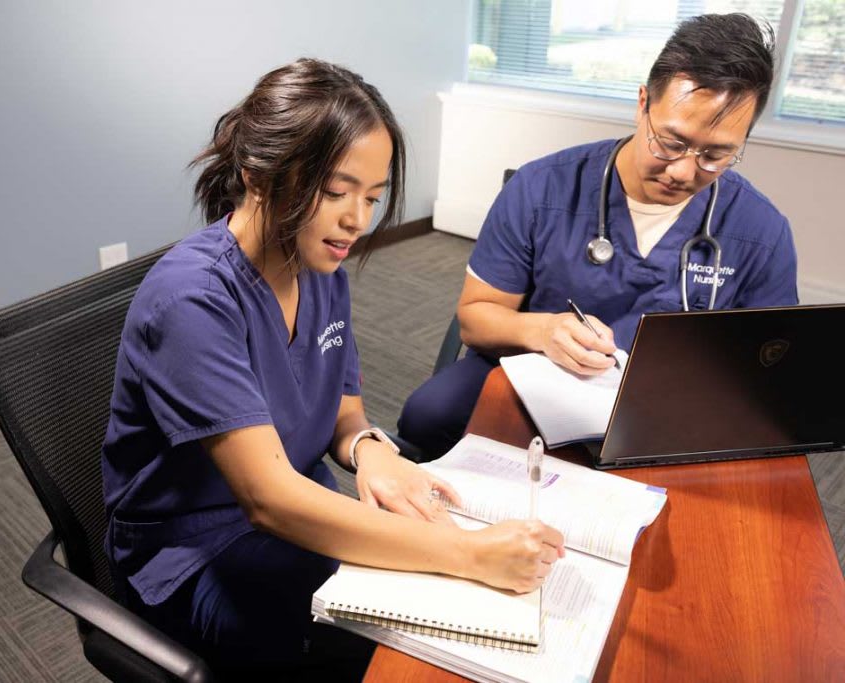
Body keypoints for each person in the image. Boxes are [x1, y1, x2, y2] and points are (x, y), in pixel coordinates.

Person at [101, 58, 565, 680]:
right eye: (337, 191)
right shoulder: (193, 300)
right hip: (198, 554)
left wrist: (371, 450)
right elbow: (268, 500)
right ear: (259, 175)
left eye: (372, 197)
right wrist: (468, 553)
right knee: (408, 635)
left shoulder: (319, 270)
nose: (358, 219)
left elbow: (342, 409)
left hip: (295, 514)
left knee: (441, 615)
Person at [398, 13, 799, 457]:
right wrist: (543, 330)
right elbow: (476, 320)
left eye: (716, 154)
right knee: (427, 415)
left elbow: (770, 364)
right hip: (536, 376)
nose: (684, 171)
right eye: (670, 142)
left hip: (666, 410)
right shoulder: (542, 188)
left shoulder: (760, 231)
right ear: (643, 103)